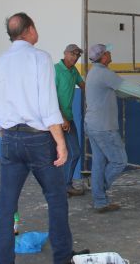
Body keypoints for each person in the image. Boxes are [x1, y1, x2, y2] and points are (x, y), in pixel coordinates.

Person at [0, 13, 86, 264]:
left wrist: (5, 133)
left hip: (10, 139)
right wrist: (61, 143)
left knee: (7, 205)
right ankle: (62, 257)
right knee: (56, 198)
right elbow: (48, 105)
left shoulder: (0, 62)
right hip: (39, 141)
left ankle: (4, 261)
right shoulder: (40, 58)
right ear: (29, 30)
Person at [84, 43, 140, 213]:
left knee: (98, 162)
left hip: (92, 124)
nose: (111, 53)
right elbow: (127, 87)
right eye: (108, 51)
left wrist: (137, 98)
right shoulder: (105, 73)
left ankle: (99, 200)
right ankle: (100, 189)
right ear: (103, 56)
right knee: (120, 161)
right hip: (104, 127)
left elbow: (117, 92)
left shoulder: (94, 72)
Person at [54, 43, 86, 197]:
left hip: (68, 118)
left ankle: (65, 185)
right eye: (72, 54)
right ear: (65, 53)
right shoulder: (55, 70)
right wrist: (62, 118)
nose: (75, 57)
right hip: (55, 120)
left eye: (77, 55)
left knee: (74, 153)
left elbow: (84, 86)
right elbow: (51, 97)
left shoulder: (74, 71)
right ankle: (61, 187)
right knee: (58, 155)